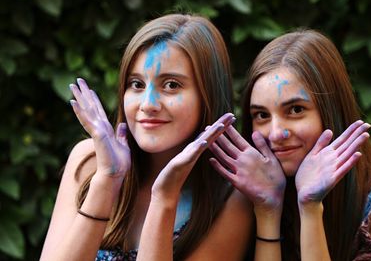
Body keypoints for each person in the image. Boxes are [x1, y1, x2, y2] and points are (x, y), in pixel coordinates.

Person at [40, 14, 253, 261]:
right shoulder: (88, 160)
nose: (148, 104)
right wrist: (107, 180)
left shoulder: (230, 197)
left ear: (208, 97)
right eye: (137, 84)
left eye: (171, 85)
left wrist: (164, 198)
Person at [209, 29, 371, 260]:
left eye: (296, 110)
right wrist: (267, 212)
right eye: (261, 115)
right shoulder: (244, 199)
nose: (276, 133)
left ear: (331, 111)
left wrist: (310, 208)